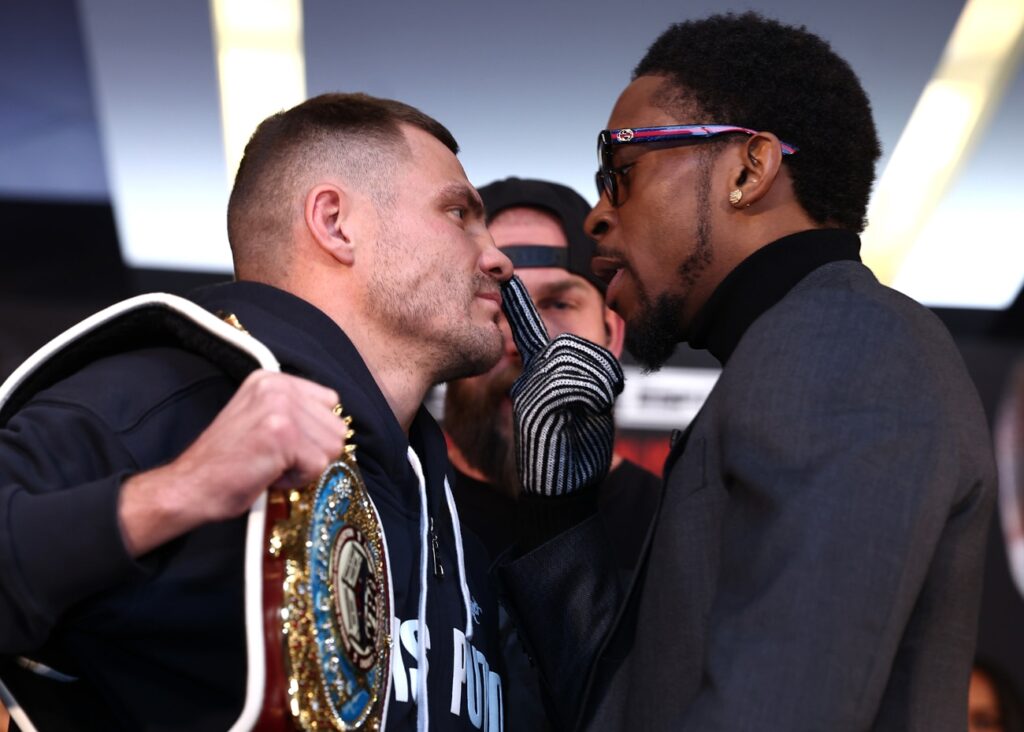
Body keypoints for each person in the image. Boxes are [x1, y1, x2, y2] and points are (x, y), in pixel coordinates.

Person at [498, 12, 997, 731]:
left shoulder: (841, 344)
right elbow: (632, 708)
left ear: (748, 169)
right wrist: (561, 515)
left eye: (620, 174)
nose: (596, 217)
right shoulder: (785, 351)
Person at [0, 93, 512, 731]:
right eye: (459, 213)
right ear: (335, 223)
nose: (498, 257)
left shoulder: (449, 519)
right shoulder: (160, 401)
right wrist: (177, 490)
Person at [444, 178, 661, 731]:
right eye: (495, 302)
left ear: (612, 334)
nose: (527, 339)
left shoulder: (676, 521)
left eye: (559, 304)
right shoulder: (389, 512)